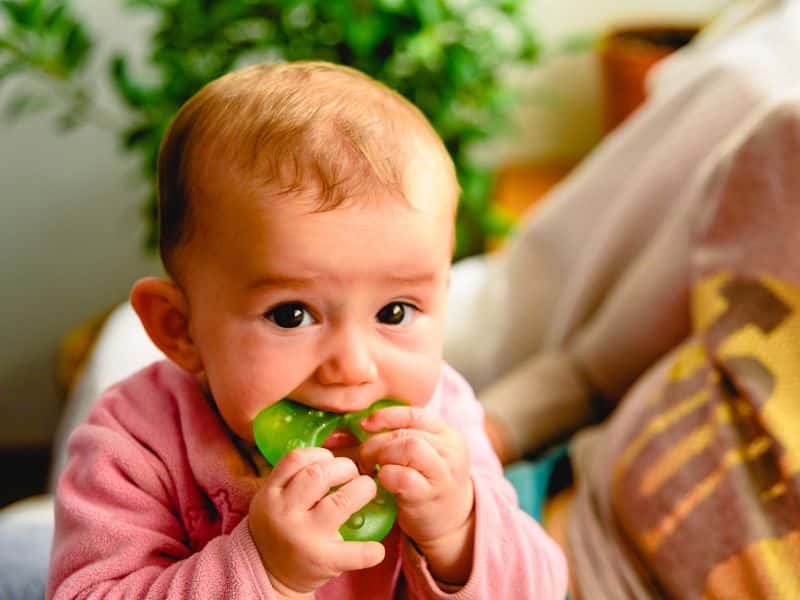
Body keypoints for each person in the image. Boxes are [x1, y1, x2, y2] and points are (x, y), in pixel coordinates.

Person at [46, 61, 566, 599]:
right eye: (291, 315)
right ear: (180, 329)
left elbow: (544, 588)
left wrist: (459, 534)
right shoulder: (135, 442)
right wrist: (263, 569)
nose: (353, 367)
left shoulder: (442, 419)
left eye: (394, 313)